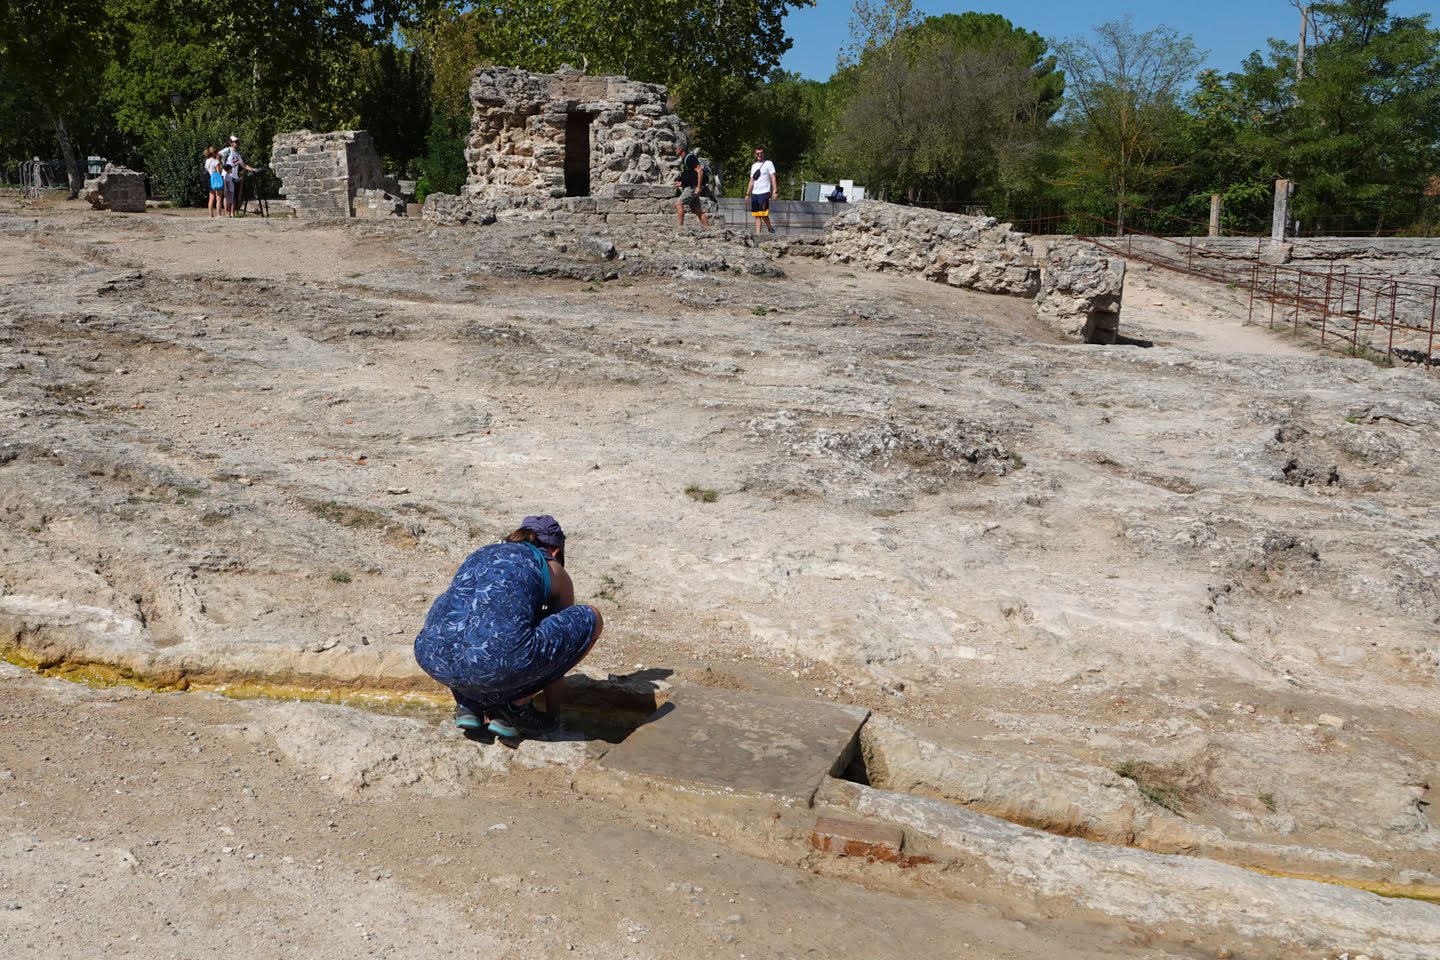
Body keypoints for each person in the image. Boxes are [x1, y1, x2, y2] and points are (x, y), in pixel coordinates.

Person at [413, 515, 605, 744]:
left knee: (470, 629)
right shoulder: (552, 567)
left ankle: (469, 703)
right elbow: (559, 649)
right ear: (555, 551)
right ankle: (518, 706)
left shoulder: (482, 552)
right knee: (591, 617)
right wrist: (553, 716)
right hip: (497, 663)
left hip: (432, 656)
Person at [673, 143, 710, 229]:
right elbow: (690, 175)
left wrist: (698, 187)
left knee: (679, 203)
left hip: (693, 187)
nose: (674, 150)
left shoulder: (689, 158)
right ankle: (708, 229)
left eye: (675, 148)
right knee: (697, 210)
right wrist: (682, 183)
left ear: (680, 149)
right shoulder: (684, 159)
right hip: (692, 185)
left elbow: (700, 171)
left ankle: (680, 228)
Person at [219, 135, 257, 217]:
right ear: (230, 143)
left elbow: (243, 165)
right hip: (227, 176)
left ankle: (232, 213)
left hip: (235, 176)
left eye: (237, 141)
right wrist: (222, 166)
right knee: (227, 195)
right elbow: (218, 155)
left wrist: (252, 169)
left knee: (234, 196)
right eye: (235, 142)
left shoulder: (237, 154)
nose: (237, 143)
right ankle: (227, 213)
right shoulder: (227, 150)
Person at [748, 146, 777, 235]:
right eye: (757, 153)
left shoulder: (769, 163)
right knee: (757, 215)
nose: (759, 155)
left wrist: (775, 191)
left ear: (763, 154)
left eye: (761, 153)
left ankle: (770, 229)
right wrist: (747, 193)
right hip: (755, 193)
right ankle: (758, 234)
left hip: (764, 192)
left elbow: (773, 177)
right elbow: (751, 180)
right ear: (755, 155)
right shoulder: (753, 166)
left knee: (763, 214)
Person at [203, 147, 224, 218]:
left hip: (210, 179)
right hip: (216, 179)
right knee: (218, 198)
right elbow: (218, 172)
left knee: (211, 198)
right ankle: (219, 214)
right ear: (214, 153)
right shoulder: (216, 161)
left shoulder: (207, 161)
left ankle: (210, 215)